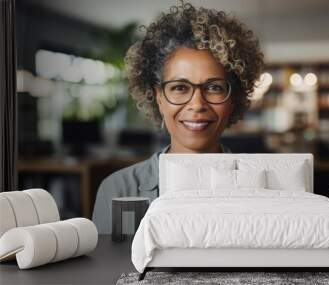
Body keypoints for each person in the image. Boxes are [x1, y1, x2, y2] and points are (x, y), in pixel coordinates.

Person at [92, 1, 265, 234]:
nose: (197, 105)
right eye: (180, 88)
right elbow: (111, 270)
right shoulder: (118, 189)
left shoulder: (262, 187)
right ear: (158, 98)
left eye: (214, 87)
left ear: (234, 98)